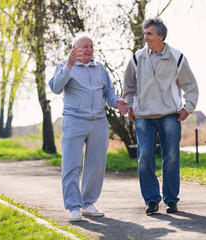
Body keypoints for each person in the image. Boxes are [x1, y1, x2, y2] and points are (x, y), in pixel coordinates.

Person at [49, 33, 128, 221]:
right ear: (74, 49)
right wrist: (68, 66)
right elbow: (55, 87)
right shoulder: (64, 65)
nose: (89, 49)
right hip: (74, 121)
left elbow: (108, 92)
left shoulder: (99, 68)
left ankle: (88, 203)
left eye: (91, 46)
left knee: (96, 165)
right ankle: (73, 207)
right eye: (84, 46)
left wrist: (117, 102)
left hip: (98, 122)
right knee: (71, 165)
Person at [123, 17, 199, 214]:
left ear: (161, 35)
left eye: (149, 34)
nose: (145, 37)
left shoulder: (177, 57)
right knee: (144, 157)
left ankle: (171, 200)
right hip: (144, 117)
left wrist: (187, 107)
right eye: (145, 33)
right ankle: (151, 200)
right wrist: (131, 106)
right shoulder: (137, 57)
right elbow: (129, 86)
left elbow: (190, 85)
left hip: (169, 116)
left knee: (172, 157)